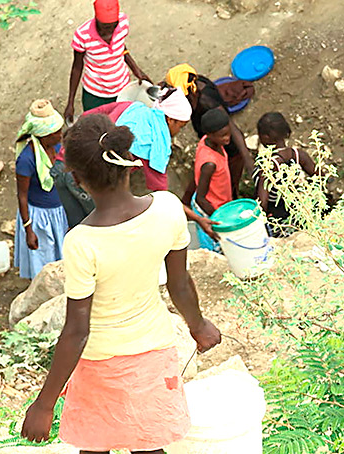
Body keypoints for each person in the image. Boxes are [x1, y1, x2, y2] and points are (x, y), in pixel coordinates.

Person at [20, 113, 221, 454]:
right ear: (129, 161)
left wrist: (44, 404)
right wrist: (198, 326)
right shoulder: (166, 210)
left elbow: (77, 331)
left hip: (99, 364)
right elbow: (180, 285)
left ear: (76, 178)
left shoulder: (82, 243)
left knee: (95, 444)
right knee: (149, 446)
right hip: (153, 351)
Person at [53, 89, 219, 239]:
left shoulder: (131, 108)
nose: (178, 132)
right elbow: (164, 196)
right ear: (170, 119)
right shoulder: (155, 143)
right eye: (181, 127)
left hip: (62, 164)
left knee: (78, 228)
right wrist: (197, 218)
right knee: (104, 233)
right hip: (85, 180)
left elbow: (88, 117)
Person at [164, 64, 254, 199]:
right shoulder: (192, 83)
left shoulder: (206, 102)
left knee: (228, 182)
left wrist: (247, 159)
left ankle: (233, 199)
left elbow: (231, 127)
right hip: (212, 140)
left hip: (230, 150)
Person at [64, 0, 150, 123]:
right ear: (96, 20)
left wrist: (136, 70)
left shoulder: (123, 23)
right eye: (104, 27)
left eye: (112, 27)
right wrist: (70, 102)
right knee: (95, 125)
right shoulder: (83, 35)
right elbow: (77, 68)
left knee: (119, 124)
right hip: (95, 93)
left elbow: (121, 47)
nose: (109, 32)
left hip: (122, 89)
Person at [14, 100, 68, 279]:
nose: (60, 135)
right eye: (56, 133)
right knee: (43, 261)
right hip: (40, 218)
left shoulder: (57, 148)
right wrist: (29, 230)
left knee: (62, 258)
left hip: (59, 212)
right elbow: (22, 196)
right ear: (43, 136)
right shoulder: (26, 160)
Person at [254, 112, 318, 238]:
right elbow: (319, 177)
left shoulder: (268, 166)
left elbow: (262, 204)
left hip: (280, 222)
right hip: (302, 214)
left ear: (265, 137)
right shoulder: (299, 155)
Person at [192, 109, 233, 252]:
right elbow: (201, 198)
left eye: (228, 133)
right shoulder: (209, 163)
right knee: (214, 249)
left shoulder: (209, 142)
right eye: (222, 136)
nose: (227, 138)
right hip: (208, 209)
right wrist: (219, 219)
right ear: (209, 135)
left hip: (220, 202)